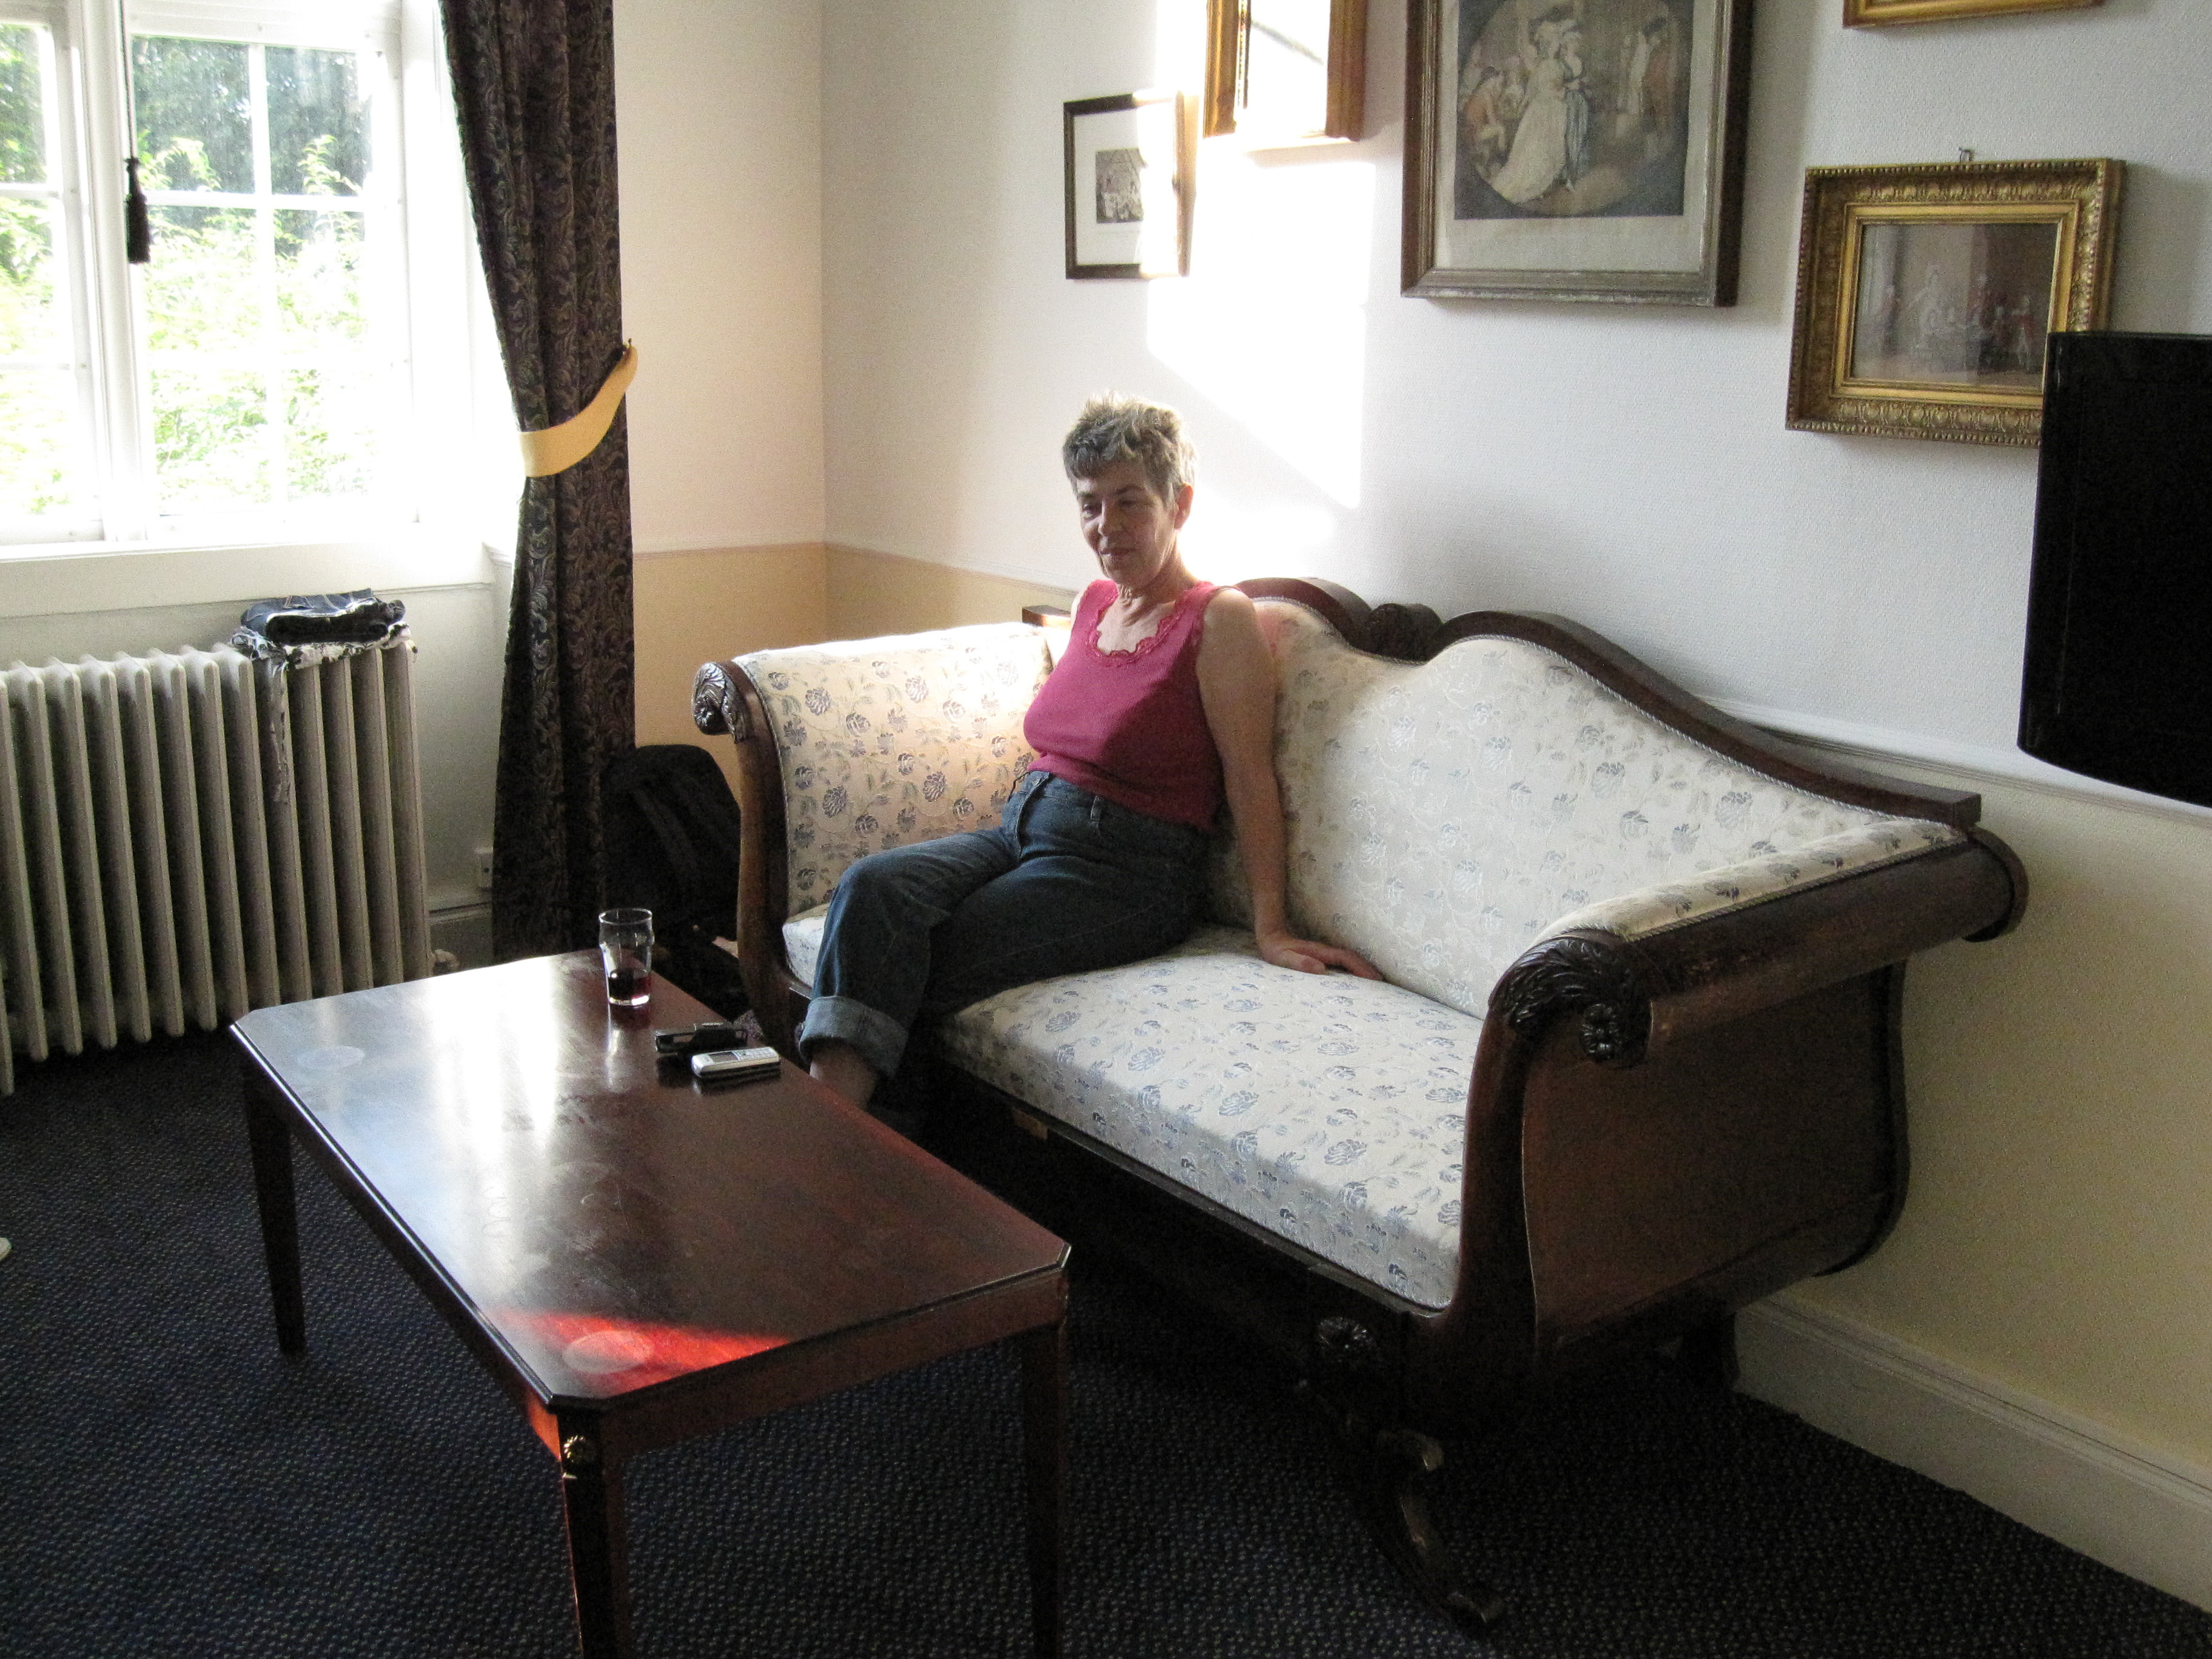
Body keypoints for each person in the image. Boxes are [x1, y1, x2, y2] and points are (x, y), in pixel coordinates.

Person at [802, 395, 1378, 1110]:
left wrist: (1272, 927)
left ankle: (832, 1138)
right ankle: (852, 1136)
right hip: (1022, 832)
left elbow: (1250, 778)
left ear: (1180, 504)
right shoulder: (1094, 603)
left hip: (1125, 875)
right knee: (873, 889)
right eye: (1090, 504)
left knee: (905, 954)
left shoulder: (1218, 620)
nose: (1107, 525)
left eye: (1130, 501)